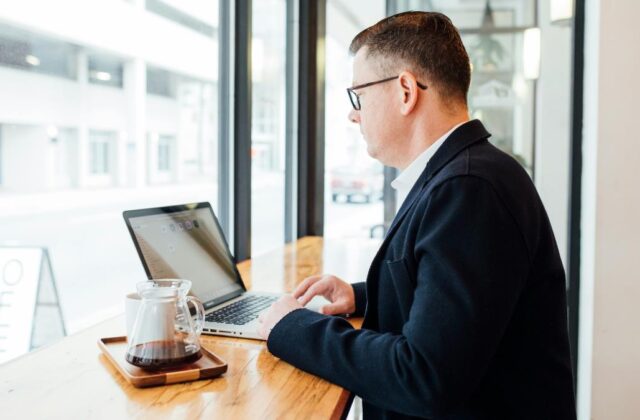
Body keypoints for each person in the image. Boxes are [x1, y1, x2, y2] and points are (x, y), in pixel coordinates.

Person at [257, 11, 576, 419]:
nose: (354, 114)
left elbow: (424, 375)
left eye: (360, 95)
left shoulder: (469, 189)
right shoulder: (467, 173)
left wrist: (292, 328)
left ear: (406, 90)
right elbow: (459, 299)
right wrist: (362, 295)